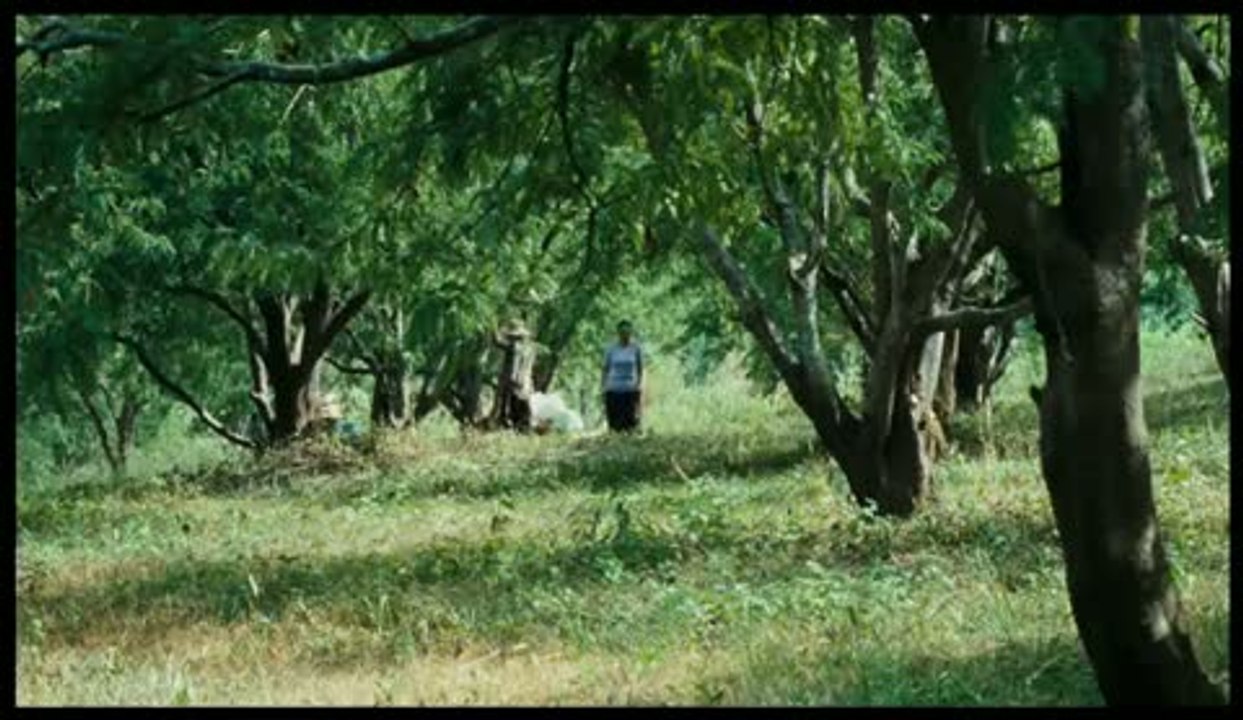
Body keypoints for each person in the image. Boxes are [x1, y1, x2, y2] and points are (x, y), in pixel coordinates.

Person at [601, 320, 644, 433]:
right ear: (618, 333)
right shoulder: (611, 349)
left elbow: (640, 368)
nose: (625, 335)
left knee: (631, 425)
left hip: (630, 390)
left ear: (631, 332)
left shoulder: (636, 348)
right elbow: (605, 369)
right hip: (614, 390)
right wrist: (603, 386)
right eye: (622, 332)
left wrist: (639, 384)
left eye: (627, 332)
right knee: (615, 426)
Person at [493, 318, 536, 432]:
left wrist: (492, 324)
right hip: (526, 382)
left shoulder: (513, 347)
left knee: (509, 407)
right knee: (523, 408)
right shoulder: (530, 349)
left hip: (513, 381)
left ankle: (512, 427)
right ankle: (524, 428)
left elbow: (496, 341)